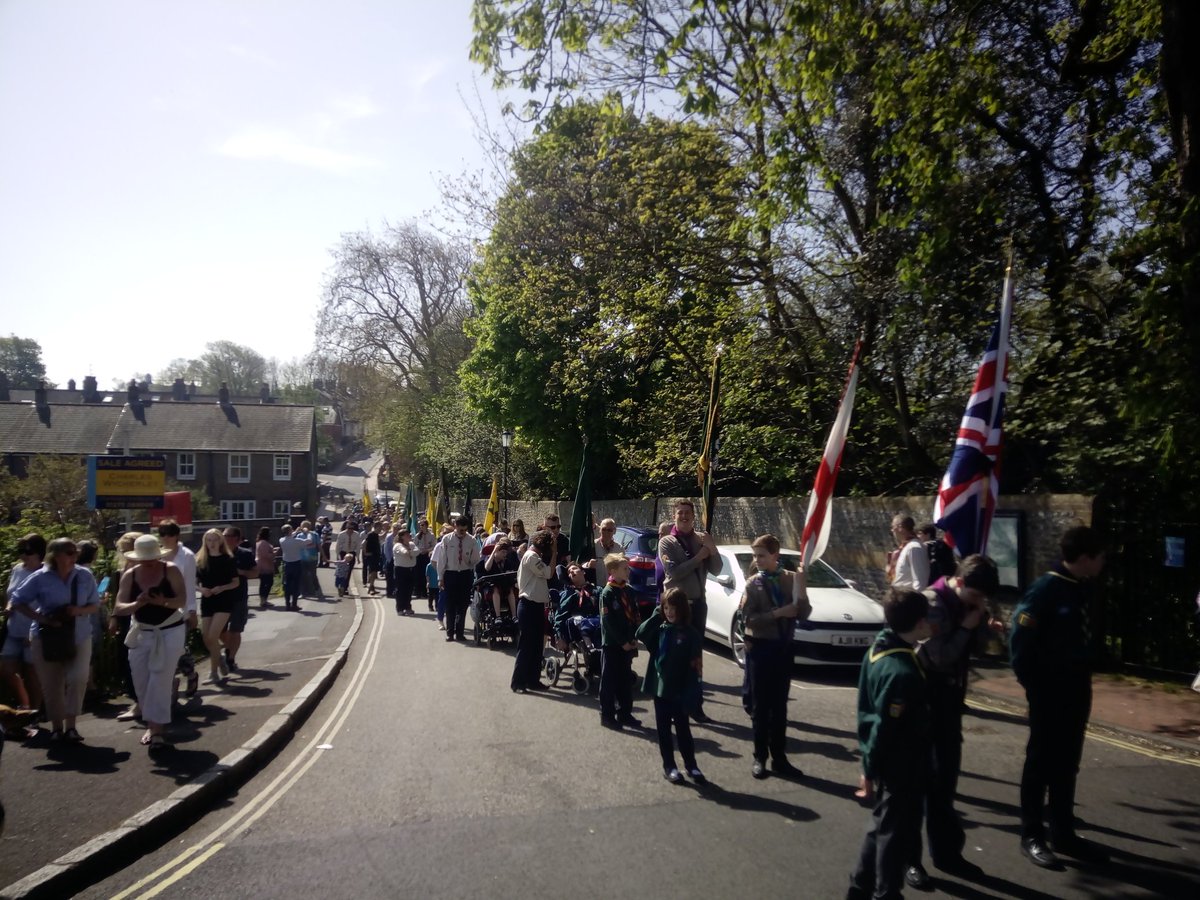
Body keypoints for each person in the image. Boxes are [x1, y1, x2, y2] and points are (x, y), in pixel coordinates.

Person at [1010, 525, 1110, 868]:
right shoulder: (1046, 589)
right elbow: (1020, 645)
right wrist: (1036, 688)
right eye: (1099, 557)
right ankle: (1032, 835)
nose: (1103, 563)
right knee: (1040, 762)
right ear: (1084, 558)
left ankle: (1063, 833)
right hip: (1049, 689)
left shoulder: (1080, 587)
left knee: (1068, 762)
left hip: (1077, 686)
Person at [904, 554, 1000, 887]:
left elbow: (978, 651)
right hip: (924, 700)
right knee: (916, 784)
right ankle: (910, 860)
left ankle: (947, 854)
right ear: (959, 582)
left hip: (949, 703)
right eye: (975, 596)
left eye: (983, 599)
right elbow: (940, 655)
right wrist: (967, 627)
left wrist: (984, 629)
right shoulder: (932, 602)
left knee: (944, 784)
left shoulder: (968, 604)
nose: (978, 603)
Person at [848, 588, 932, 900]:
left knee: (881, 824)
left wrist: (869, 764)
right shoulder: (902, 671)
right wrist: (869, 770)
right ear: (920, 623)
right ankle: (886, 893)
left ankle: (859, 887)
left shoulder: (878, 650)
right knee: (894, 834)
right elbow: (886, 725)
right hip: (902, 762)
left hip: (886, 757)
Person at [9, 538, 101, 743]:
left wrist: (79, 610)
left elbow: (95, 605)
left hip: (79, 634)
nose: (74, 556)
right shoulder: (40, 577)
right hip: (47, 637)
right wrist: (42, 619)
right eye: (69, 552)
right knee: (52, 684)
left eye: (75, 552)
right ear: (55, 555)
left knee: (78, 678)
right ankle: (57, 728)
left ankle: (72, 726)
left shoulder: (84, 575)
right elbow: (17, 600)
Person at [741, 533, 811, 779]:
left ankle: (779, 758)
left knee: (780, 707)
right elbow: (748, 620)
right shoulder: (753, 584)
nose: (756, 559)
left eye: (761, 555)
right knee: (761, 708)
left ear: (775, 556)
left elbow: (804, 612)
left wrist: (801, 587)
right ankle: (760, 757)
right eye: (755, 555)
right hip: (759, 649)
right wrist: (779, 612)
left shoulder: (791, 580)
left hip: (783, 649)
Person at [113, 535, 187, 753]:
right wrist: (139, 602)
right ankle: (152, 724)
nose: (149, 562)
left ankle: (156, 731)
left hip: (170, 631)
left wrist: (161, 601)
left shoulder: (171, 570)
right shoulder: (129, 575)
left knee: (160, 680)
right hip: (142, 632)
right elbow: (119, 606)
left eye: (153, 558)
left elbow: (181, 600)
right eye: (145, 559)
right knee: (142, 682)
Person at [658, 500, 721, 723]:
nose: (684, 516)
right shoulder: (667, 542)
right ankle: (675, 706)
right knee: (676, 658)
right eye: (680, 513)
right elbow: (673, 572)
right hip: (676, 606)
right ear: (674, 516)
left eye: (688, 513)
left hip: (698, 604)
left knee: (695, 659)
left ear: (694, 516)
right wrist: (699, 557)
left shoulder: (701, 539)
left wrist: (711, 547)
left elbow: (717, 568)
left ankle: (696, 707)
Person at [636, 586, 705, 784]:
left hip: (681, 691)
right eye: (666, 608)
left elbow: (696, 668)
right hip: (661, 690)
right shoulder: (660, 630)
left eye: (673, 608)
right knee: (663, 731)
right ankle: (670, 766)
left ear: (682, 608)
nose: (669, 612)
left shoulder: (691, 634)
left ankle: (691, 765)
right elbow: (641, 632)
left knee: (684, 731)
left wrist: (693, 695)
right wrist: (657, 613)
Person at [2, 533, 46, 719]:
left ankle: (35, 710)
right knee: (5, 668)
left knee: (32, 672)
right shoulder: (17, 569)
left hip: (33, 630)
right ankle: (24, 705)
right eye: (21, 551)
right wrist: (9, 606)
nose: (23, 556)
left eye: (28, 552)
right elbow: (12, 594)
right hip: (14, 628)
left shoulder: (46, 574)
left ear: (39, 553)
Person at [598, 554, 641, 729]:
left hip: (628, 643)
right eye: (624, 568)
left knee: (625, 680)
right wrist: (622, 641)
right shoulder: (607, 592)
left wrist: (634, 637)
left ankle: (625, 713)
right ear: (613, 571)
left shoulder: (629, 590)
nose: (628, 570)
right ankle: (607, 715)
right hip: (613, 644)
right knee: (609, 681)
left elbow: (636, 614)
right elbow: (608, 622)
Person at [511, 529, 556, 693]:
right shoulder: (531, 557)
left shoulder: (535, 557)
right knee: (526, 645)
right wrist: (554, 554)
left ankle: (533, 680)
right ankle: (518, 682)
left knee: (537, 646)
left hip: (536, 606)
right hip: (528, 605)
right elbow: (549, 573)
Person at [195, 529, 239, 685]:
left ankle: (213, 673)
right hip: (207, 600)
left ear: (220, 541)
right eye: (209, 540)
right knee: (206, 638)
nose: (212, 543)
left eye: (215, 540)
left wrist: (222, 588)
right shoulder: (200, 559)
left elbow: (235, 582)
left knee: (213, 636)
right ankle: (219, 659)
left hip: (224, 600)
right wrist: (201, 590)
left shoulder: (227, 559)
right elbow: (194, 582)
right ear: (204, 542)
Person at [107, 531, 143, 721]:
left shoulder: (145, 571)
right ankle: (138, 700)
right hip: (124, 619)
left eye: (123, 549)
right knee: (125, 660)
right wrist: (114, 617)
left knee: (136, 661)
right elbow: (117, 597)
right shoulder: (121, 572)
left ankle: (140, 703)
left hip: (140, 620)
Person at [220, 526, 258, 672]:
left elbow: (255, 573)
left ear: (236, 539)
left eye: (227, 536)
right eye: (223, 535)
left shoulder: (245, 554)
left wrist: (241, 572)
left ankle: (230, 658)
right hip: (220, 599)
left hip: (239, 597)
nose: (224, 538)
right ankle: (228, 649)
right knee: (219, 631)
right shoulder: (217, 553)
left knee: (235, 630)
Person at [437, 517, 480, 642]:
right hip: (450, 574)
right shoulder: (447, 539)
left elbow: (475, 560)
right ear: (455, 525)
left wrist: (472, 566)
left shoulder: (471, 540)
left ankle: (460, 633)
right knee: (450, 605)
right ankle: (450, 633)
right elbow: (441, 560)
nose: (463, 532)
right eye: (461, 529)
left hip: (465, 575)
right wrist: (440, 577)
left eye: (465, 529)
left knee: (463, 605)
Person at [889, 515, 930, 591]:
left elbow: (920, 582)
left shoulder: (914, 548)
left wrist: (914, 601)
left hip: (908, 599)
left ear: (900, 527)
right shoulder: (906, 547)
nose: (892, 530)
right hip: (899, 597)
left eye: (893, 527)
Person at [482, 538, 519, 620]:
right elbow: (487, 568)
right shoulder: (489, 558)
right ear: (496, 552)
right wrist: (493, 552)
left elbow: (511, 571)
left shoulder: (506, 561)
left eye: (505, 552)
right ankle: (498, 616)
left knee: (511, 590)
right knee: (495, 589)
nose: (504, 554)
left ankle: (514, 616)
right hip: (493, 584)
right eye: (502, 552)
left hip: (504, 583)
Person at [278, 524, 305, 610]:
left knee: (287, 585)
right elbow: (309, 541)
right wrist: (307, 532)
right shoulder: (297, 541)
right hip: (296, 564)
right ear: (290, 531)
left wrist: (296, 531)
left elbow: (289, 537)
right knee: (296, 585)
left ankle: (287, 604)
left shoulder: (281, 540)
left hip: (287, 564)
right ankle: (294, 604)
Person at [393, 529, 417, 616]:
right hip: (401, 570)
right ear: (402, 536)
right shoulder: (398, 545)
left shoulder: (411, 544)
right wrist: (410, 552)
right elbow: (404, 552)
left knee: (409, 589)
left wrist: (410, 552)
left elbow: (417, 551)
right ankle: (400, 608)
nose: (409, 536)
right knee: (400, 590)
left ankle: (408, 607)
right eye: (407, 535)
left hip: (410, 569)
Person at [413, 519, 436, 605]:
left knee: (425, 574)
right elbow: (414, 545)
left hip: (427, 555)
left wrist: (427, 550)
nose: (421, 527)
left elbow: (434, 545)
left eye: (422, 525)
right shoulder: (417, 535)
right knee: (418, 574)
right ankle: (418, 591)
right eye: (420, 525)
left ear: (426, 526)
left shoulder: (431, 535)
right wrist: (419, 550)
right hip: (419, 556)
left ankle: (424, 592)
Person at [255, 526, 275, 610]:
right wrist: (274, 553)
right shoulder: (263, 543)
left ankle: (263, 599)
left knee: (264, 583)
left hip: (261, 564)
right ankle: (263, 600)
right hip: (265, 565)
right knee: (267, 582)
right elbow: (266, 555)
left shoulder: (260, 542)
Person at [363, 522, 383, 596]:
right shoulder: (370, 534)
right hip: (371, 556)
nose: (381, 528)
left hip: (376, 556)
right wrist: (365, 553)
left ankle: (372, 587)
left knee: (374, 572)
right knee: (373, 572)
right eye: (380, 527)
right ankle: (370, 587)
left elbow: (382, 537)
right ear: (377, 527)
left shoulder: (376, 535)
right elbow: (364, 543)